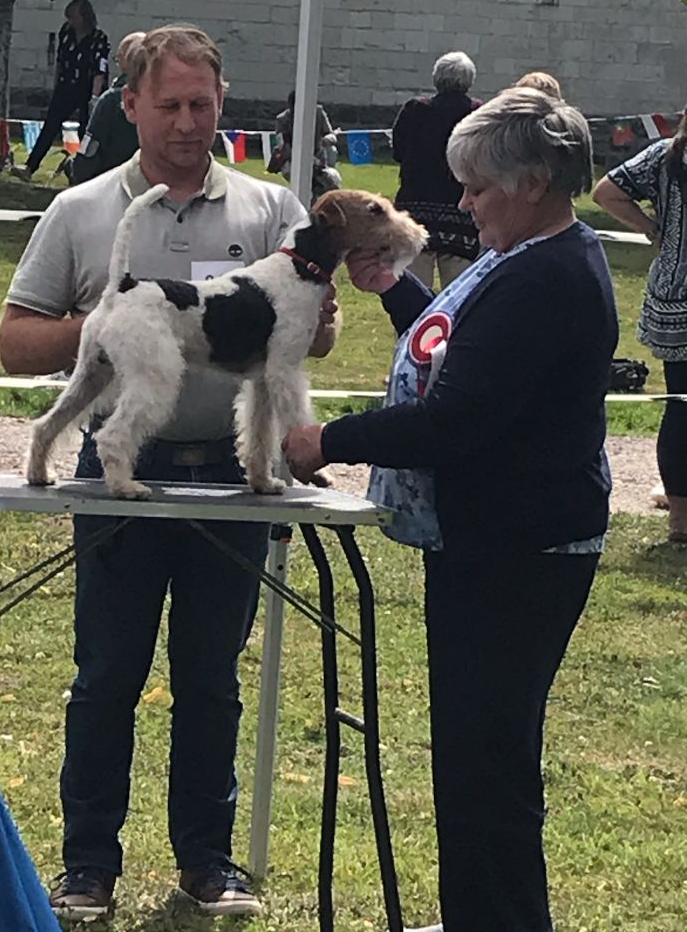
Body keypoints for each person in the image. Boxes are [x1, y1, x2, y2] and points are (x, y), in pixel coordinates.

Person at [0, 24, 340, 922]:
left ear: (222, 102)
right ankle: (87, 868)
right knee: (107, 673)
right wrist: (122, 330)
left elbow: (312, 340)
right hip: (123, 466)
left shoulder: (272, 209)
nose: (189, 122)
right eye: (171, 105)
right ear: (131, 106)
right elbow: (10, 345)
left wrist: (311, 323)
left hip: (228, 487)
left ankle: (207, 862)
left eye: (203, 104)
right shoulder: (80, 210)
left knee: (213, 677)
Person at [283, 88, 617, 932]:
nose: (463, 202)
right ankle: (480, 914)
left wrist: (329, 440)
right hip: (492, 542)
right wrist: (394, 289)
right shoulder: (527, 256)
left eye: (477, 187)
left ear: (535, 181)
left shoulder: (547, 277)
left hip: (518, 553)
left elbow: (455, 421)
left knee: (490, 765)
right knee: (474, 760)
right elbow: (449, 344)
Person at [593, 107, 687, 541]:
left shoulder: (666, 156)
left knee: (680, 405)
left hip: (674, 292)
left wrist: (654, 228)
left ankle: (680, 522)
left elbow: (606, 192)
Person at [392, 51, 481, 290]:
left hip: (416, 213)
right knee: (460, 297)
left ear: (436, 79)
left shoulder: (414, 110)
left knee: (415, 296)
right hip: (461, 216)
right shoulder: (477, 114)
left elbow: (397, 153)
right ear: (469, 80)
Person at [13, 0, 110, 181]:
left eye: (74, 17)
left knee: (86, 132)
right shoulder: (66, 33)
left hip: (88, 88)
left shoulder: (99, 38)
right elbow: (61, 60)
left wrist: (94, 98)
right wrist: (57, 86)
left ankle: (86, 173)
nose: (70, 22)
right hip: (67, 85)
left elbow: (100, 69)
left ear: (84, 17)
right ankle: (30, 166)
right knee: (50, 125)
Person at [71, 31, 144, 185]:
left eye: (117, 59)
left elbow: (90, 148)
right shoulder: (165, 98)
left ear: (125, 60)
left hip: (111, 184)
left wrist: (73, 167)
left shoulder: (111, 100)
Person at [273, 90, 341, 199]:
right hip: (292, 162)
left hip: (319, 161)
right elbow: (284, 146)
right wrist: (305, 159)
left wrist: (328, 139)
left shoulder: (319, 113)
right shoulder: (282, 120)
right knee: (301, 186)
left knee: (332, 182)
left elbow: (331, 135)